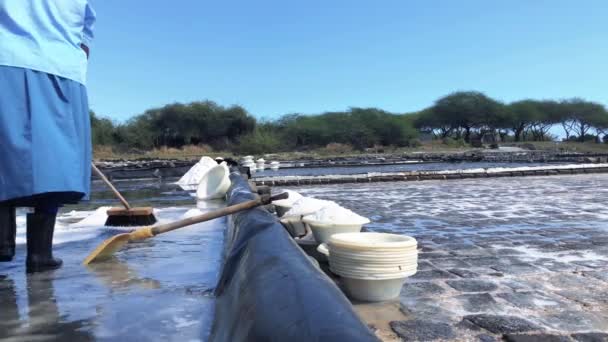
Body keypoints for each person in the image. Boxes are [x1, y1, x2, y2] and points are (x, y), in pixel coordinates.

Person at [0, 1, 96, 273]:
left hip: (7, 59)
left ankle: (3, 244)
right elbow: (85, 38)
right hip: (63, 66)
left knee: (5, 151)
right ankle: (40, 253)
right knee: (57, 157)